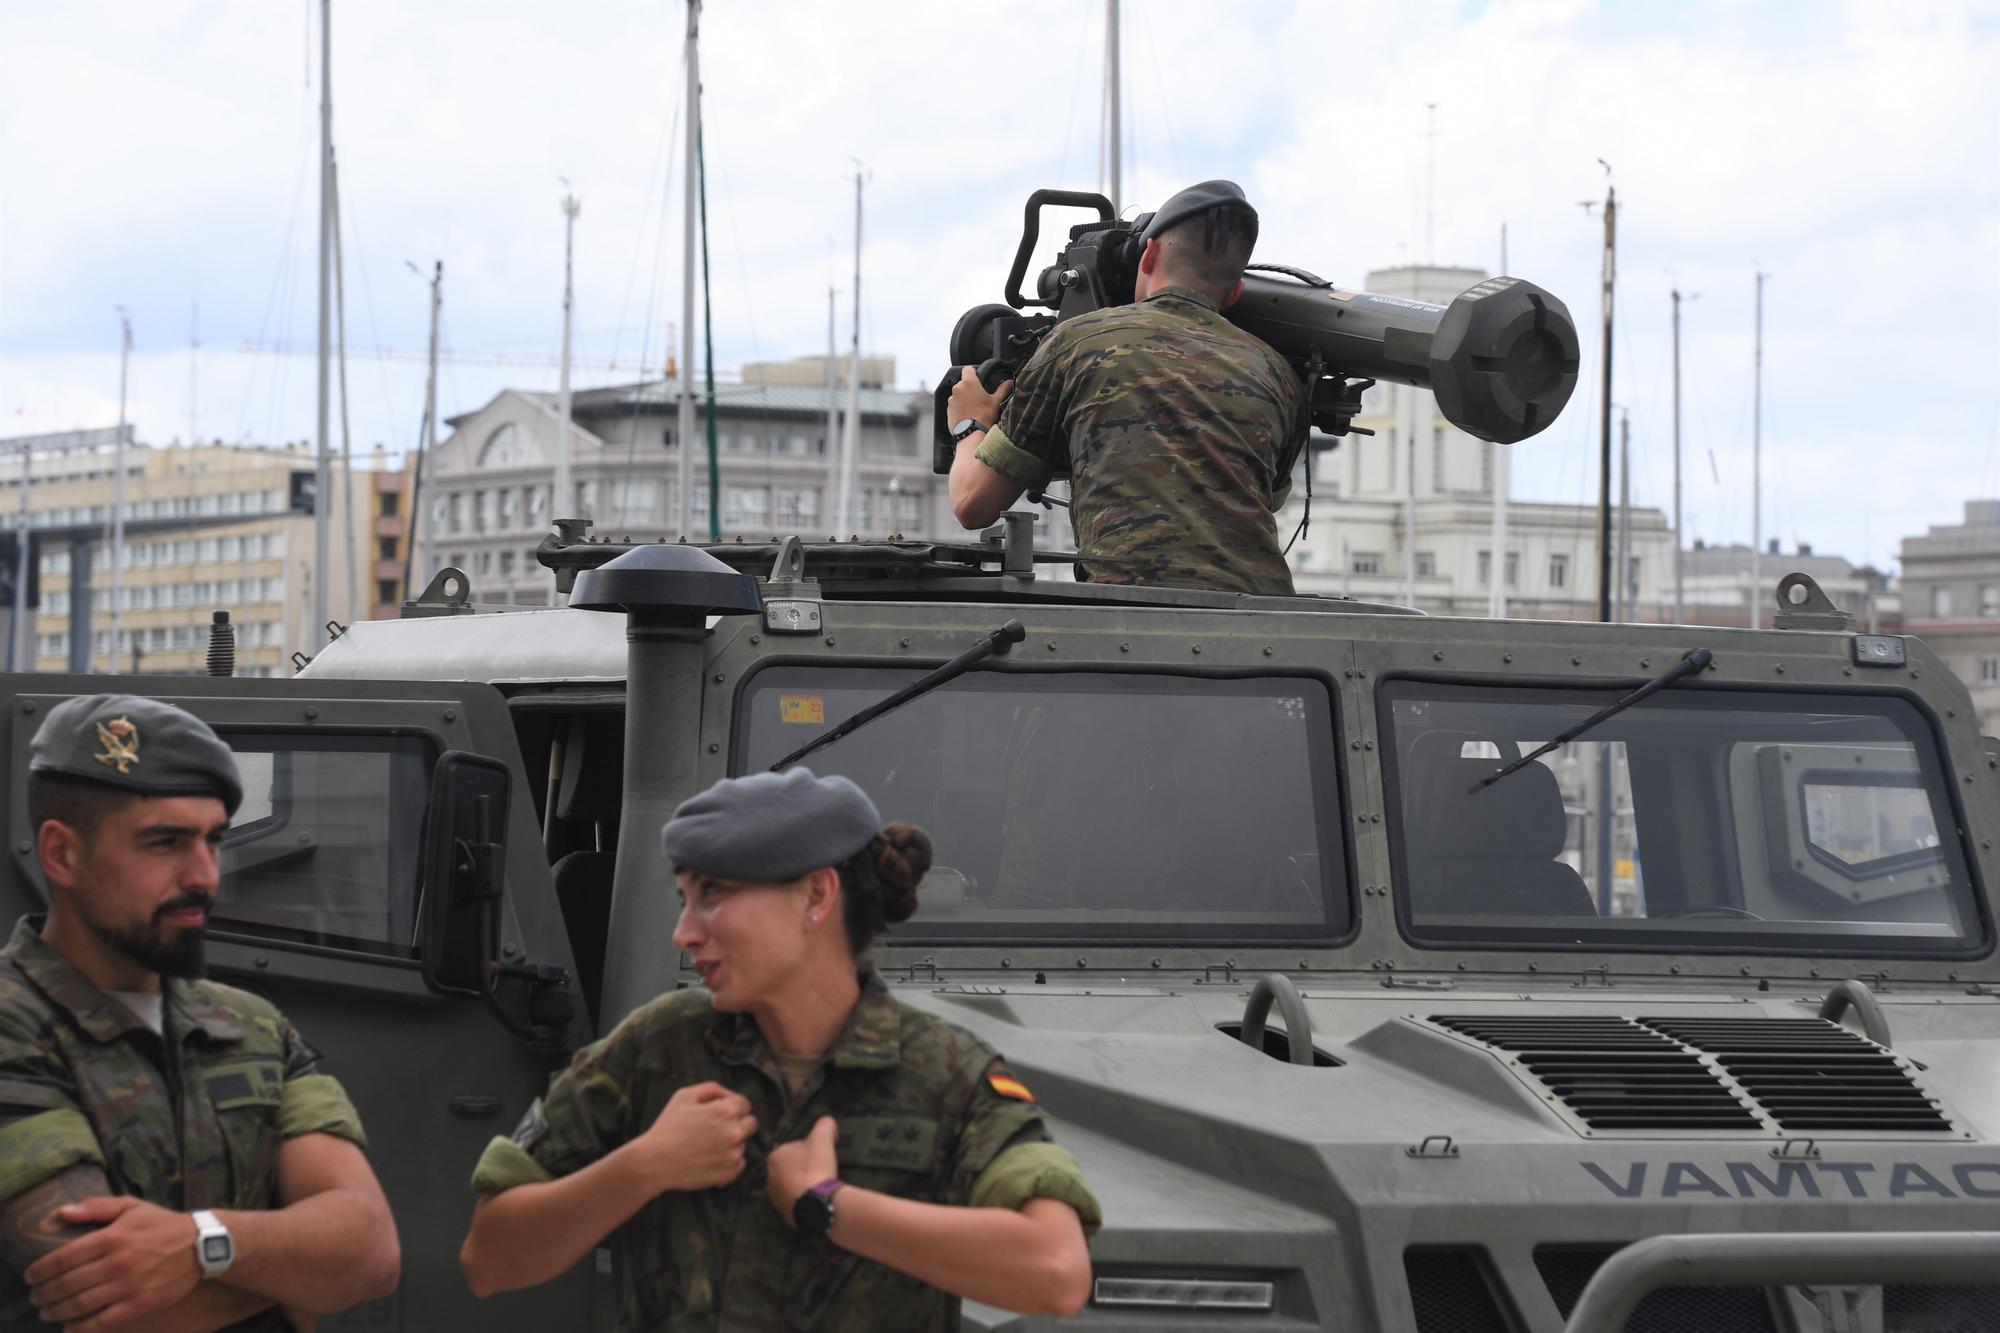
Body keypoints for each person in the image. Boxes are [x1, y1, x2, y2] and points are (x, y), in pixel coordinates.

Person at [460, 767, 1099, 1331]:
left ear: (816, 896)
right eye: (684, 899)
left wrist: (828, 1205)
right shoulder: (659, 1047)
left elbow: (1056, 1272)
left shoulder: (944, 1071)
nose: (684, 932)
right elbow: (489, 1258)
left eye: (713, 893)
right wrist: (646, 1165)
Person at [0, 694, 400, 1333]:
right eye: (165, 842)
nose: (205, 877)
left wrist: (199, 1246)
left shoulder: (252, 1026)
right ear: (61, 855)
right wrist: (292, 1286)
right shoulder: (12, 1023)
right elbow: (102, 1299)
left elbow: (372, 1251)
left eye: (214, 840)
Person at [947, 178, 1306, 596]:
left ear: (1149, 254)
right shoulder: (1277, 374)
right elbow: (1265, 497)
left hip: (1133, 617)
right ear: (1236, 290)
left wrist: (969, 426)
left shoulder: (1076, 344)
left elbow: (972, 505)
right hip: (1265, 619)